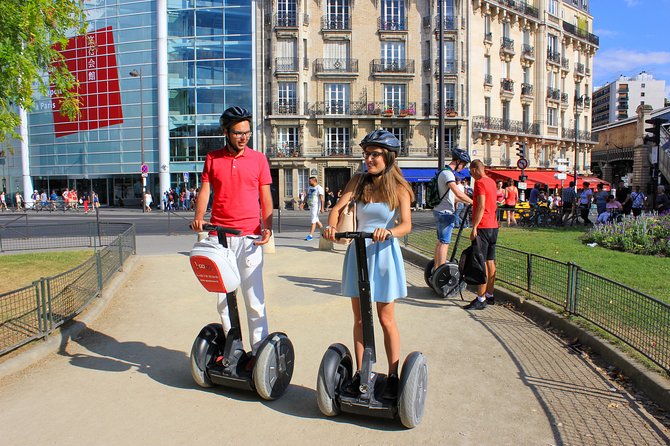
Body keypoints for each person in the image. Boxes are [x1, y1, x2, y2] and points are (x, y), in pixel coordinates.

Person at [323, 129, 413, 395]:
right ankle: (363, 373)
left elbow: (406, 225)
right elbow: (338, 208)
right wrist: (330, 227)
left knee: (386, 320)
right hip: (358, 253)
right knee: (360, 320)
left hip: (384, 254)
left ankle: (394, 375)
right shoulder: (358, 181)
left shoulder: (399, 188)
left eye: (374, 154)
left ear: (388, 157)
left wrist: (389, 231)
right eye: (366, 154)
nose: (368, 159)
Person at [190, 106, 273, 368]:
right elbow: (205, 191)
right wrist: (199, 216)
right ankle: (232, 345)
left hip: (249, 236)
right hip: (219, 236)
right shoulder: (213, 158)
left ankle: (259, 352)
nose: (244, 137)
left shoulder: (258, 159)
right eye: (238, 133)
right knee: (224, 298)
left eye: (247, 132)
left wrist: (267, 226)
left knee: (254, 299)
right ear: (226, 132)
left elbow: (266, 197)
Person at [464, 159, 499, 310]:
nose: (470, 174)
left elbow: (481, 205)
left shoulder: (479, 183)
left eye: (471, 171)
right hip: (494, 225)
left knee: (481, 261)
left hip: (483, 225)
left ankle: (481, 298)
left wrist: (474, 227)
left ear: (475, 169)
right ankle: (490, 295)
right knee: (490, 261)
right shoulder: (492, 182)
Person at [431, 149, 473, 270]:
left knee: (440, 242)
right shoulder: (448, 174)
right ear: (458, 161)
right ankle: (441, 270)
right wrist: (473, 202)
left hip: (439, 210)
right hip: (445, 213)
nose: (463, 167)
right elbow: (457, 193)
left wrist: (464, 201)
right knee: (444, 243)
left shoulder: (443, 172)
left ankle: (436, 268)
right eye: (463, 164)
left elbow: (452, 197)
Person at [305, 176, 324, 241]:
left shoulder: (319, 188)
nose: (309, 182)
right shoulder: (310, 187)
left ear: (314, 181)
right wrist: (303, 203)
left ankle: (310, 235)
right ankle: (324, 232)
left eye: (310, 181)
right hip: (311, 206)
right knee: (316, 220)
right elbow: (307, 195)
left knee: (313, 220)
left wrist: (322, 208)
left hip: (316, 206)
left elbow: (322, 199)